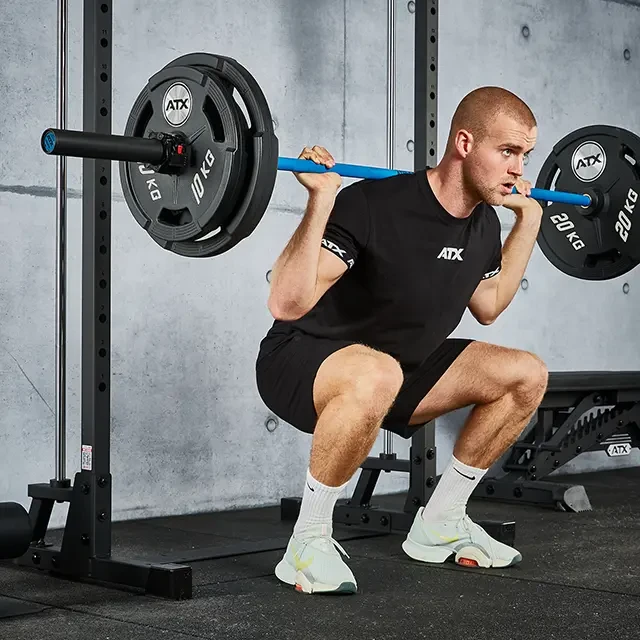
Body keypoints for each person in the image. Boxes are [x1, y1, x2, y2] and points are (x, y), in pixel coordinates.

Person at [255, 86, 548, 595]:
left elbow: (489, 305)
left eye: (525, 155)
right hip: (301, 359)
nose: (518, 169)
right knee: (378, 372)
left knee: (525, 374)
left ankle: (442, 522)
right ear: (464, 144)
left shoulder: (482, 225)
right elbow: (285, 303)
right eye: (508, 151)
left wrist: (530, 222)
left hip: (397, 370)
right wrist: (320, 200)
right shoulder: (373, 203)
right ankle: (307, 541)